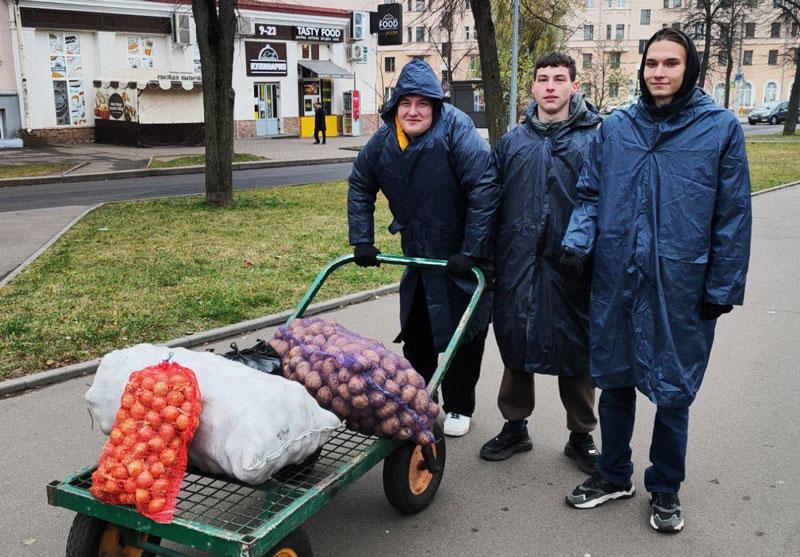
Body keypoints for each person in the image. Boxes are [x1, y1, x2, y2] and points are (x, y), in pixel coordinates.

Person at [561, 28, 752, 533]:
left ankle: (665, 487)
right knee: (615, 378)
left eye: (671, 63)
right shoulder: (616, 127)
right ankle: (613, 474)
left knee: (673, 390)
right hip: (618, 277)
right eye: (652, 63)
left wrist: (722, 287)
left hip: (681, 283)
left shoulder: (719, 129)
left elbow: (733, 215)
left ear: (689, 69)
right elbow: (589, 193)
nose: (659, 72)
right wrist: (577, 246)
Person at [348, 59, 500, 437]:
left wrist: (472, 249)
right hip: (418, 256)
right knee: (418, 334)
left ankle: (460, 406)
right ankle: (421, 400)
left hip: (461, 256)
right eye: (406, 103)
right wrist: (362, 239)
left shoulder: (457, 130)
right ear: (395, 107)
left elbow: (484, 188)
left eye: (422, 104)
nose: (413, 111)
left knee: (464, 334)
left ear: (435, 106)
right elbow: (360, 184)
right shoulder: (385, 140)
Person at [480, 52, 601, 474]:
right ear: (532, 87)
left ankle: (581, 435)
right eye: (543, 79)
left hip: (574, 266)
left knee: (576, 349)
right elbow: (490, 202)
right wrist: (485, 255)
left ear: (574, 86)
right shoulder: (513, 142)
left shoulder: (596, 139)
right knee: (517, 341)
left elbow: (606, 202)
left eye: (559, 79)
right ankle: (515, 426)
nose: (550, 86)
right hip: (518, 263)